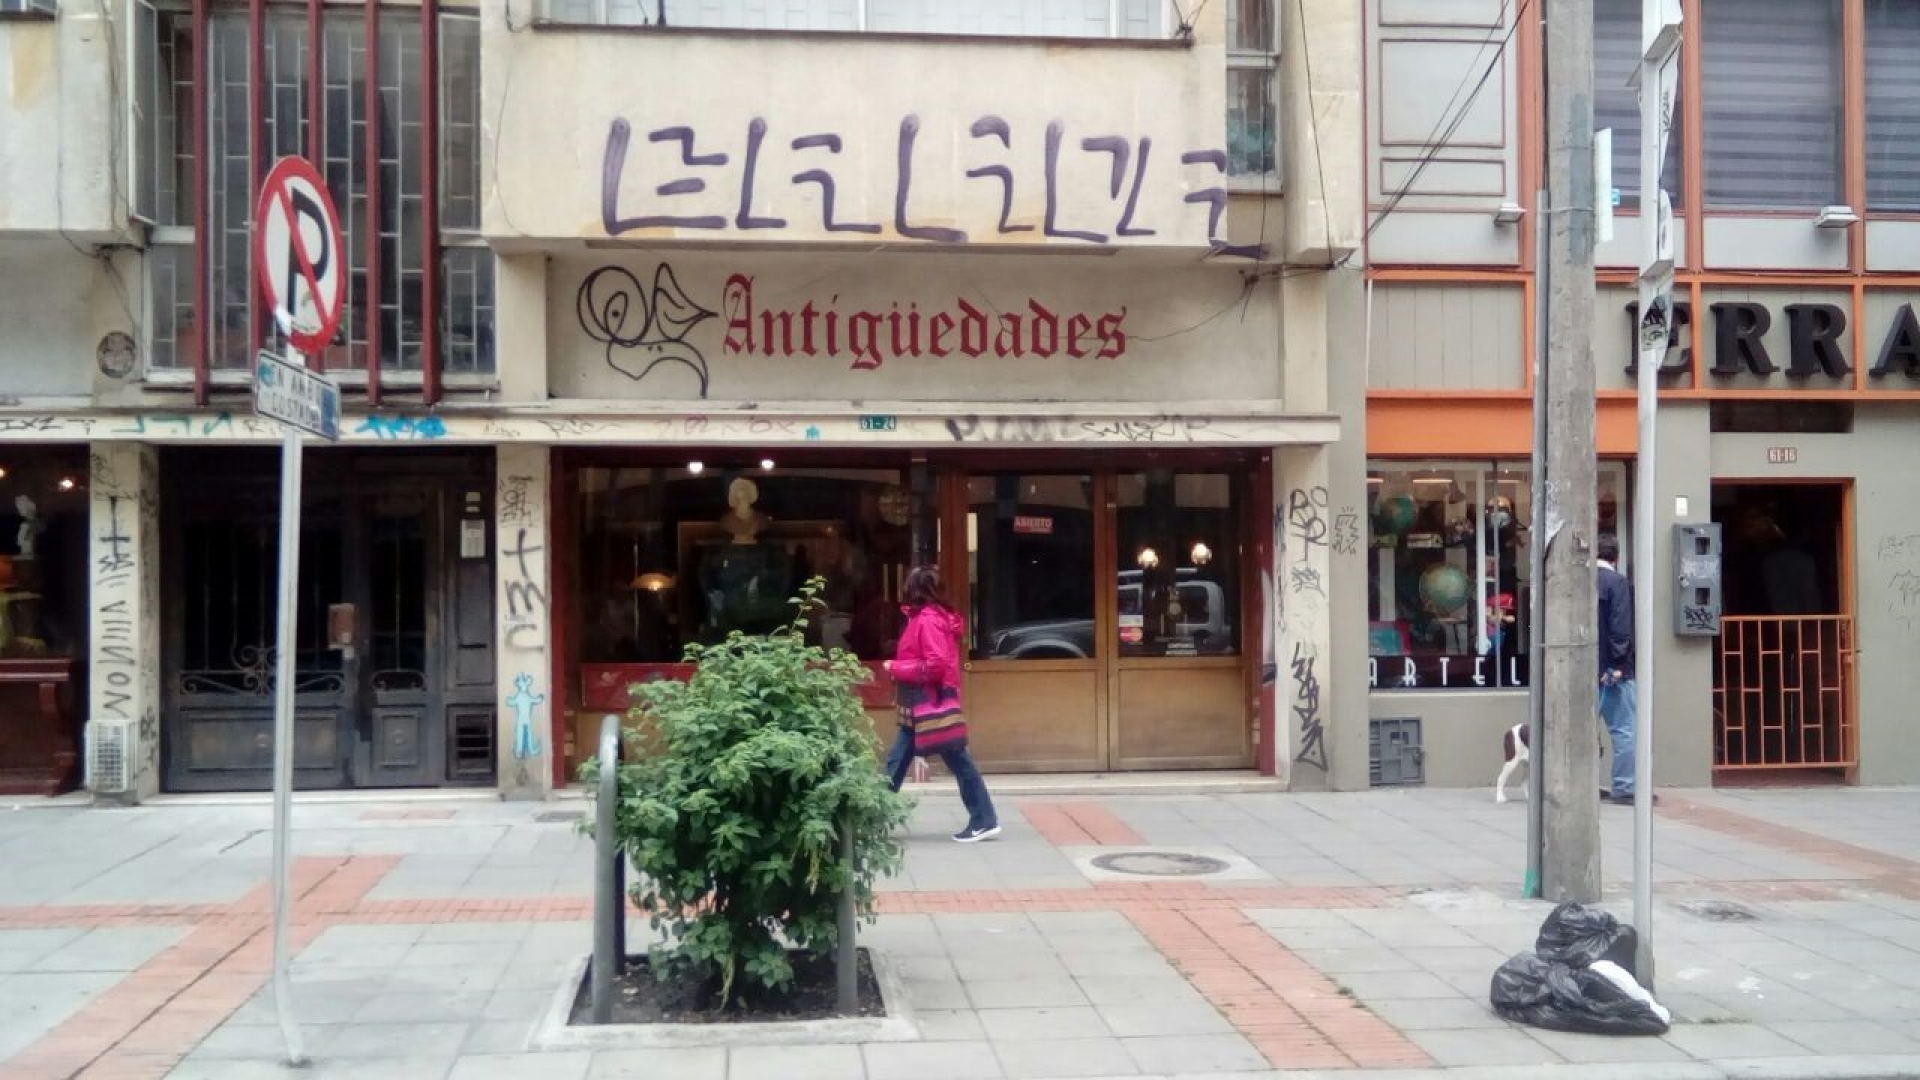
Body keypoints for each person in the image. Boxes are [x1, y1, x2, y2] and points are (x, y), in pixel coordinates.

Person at [884, 565, 1000, 842]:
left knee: (954, 760)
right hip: (924, 700)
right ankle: (872, 818)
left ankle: (984, 820)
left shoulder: (927, 620)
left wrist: (896, 668)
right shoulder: (929, 618)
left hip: (928, 701)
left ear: (914, 589)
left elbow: (936, 665)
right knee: (898, 760)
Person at [1595, 535, 1643, 805]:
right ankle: (1624, 787)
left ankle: (1585, 784)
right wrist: (1618, 665)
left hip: (1583, 669)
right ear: (1616, 556)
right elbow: (1620, 627)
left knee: (1583, 732)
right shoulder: (1617, 583)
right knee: (1623, 730)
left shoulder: (1579, 582)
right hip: (1613, 672)